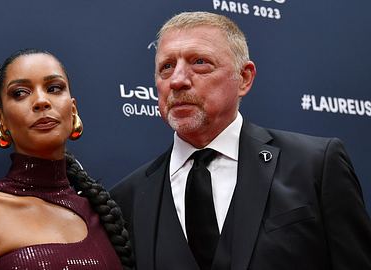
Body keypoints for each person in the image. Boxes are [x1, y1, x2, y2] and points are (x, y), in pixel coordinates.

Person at [111, 11, 371, 270]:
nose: (177, 80)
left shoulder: (315, 165)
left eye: (199, 62)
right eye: (166, 67)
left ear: (244, 78)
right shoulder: (126, 199)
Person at [0, 49, 133, 270]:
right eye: (20, 93)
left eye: (54, 88)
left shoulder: (103, 214)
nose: (41, 101)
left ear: (73, 110)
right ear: (1, 120)